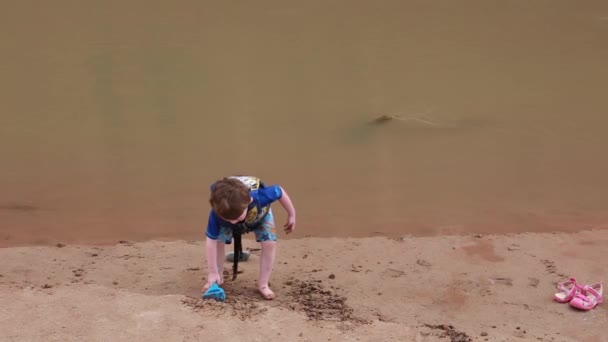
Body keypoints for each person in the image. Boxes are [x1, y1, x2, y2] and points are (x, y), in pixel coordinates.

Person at [201, 176, 296, 300]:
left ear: (249, 201)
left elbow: (279, 191)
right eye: (229, 219)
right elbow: (211, 242)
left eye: (237, 218)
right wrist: (212, 271)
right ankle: (216, 278)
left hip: (260, 215)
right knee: (218, 242)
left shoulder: (261, 196)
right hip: (228, 215)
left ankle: (263, 283)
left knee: (269, 244)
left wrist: (291, 215)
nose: (234, 222)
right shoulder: (217, 212)